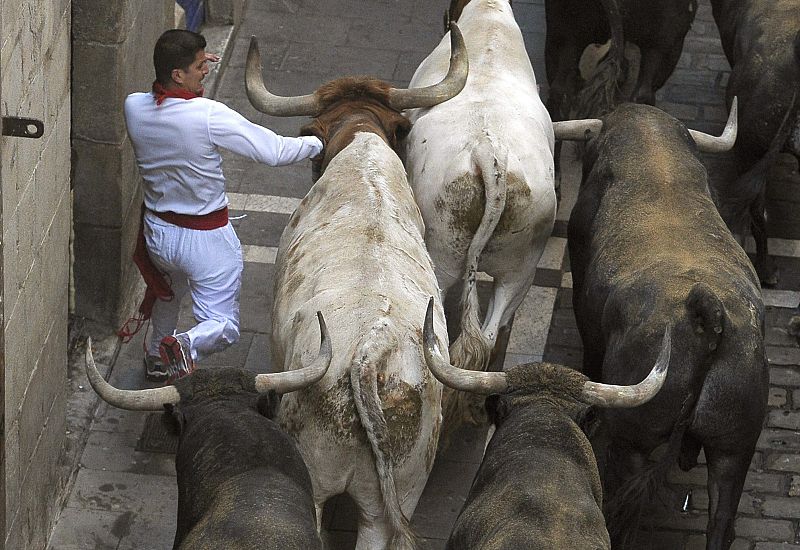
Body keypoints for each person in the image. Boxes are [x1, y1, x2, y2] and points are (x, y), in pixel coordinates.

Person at [124, 29, 323, 382]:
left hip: (158, 234)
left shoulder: (134, 107)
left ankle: (156, 355)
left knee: (168, 296)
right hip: (207, 242)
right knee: (223, 325)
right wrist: (317, 143)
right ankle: (185, 344)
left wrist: (194, 66)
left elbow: (167, 97)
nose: (206, 70)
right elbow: (274, 151)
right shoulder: (208, 115)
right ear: (177, 74)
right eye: (200, 66)